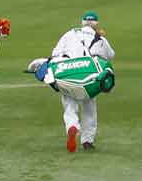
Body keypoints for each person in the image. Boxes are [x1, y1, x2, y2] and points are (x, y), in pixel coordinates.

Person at [48, 10, 117, 152]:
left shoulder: (70, 34)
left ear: (82, 22)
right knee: (89, 109)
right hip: (89, 79)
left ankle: (72, 127)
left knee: (69, 107)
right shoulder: (99, 38)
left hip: (69, 76)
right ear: (96, 24)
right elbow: (110, 55)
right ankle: (87, 141)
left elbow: (55, 54)